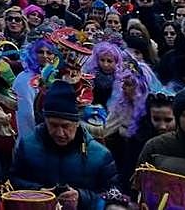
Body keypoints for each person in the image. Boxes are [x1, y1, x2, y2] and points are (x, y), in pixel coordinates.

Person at [8, 81, 116, 210]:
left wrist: (81, 198)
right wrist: (38, 193)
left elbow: (113, 196)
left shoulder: (100, 155)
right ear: (45, 121)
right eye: (53, 125)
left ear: (77, 123)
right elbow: (12, 182)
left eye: (65, 126)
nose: (60, 133)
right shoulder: (27, 147)